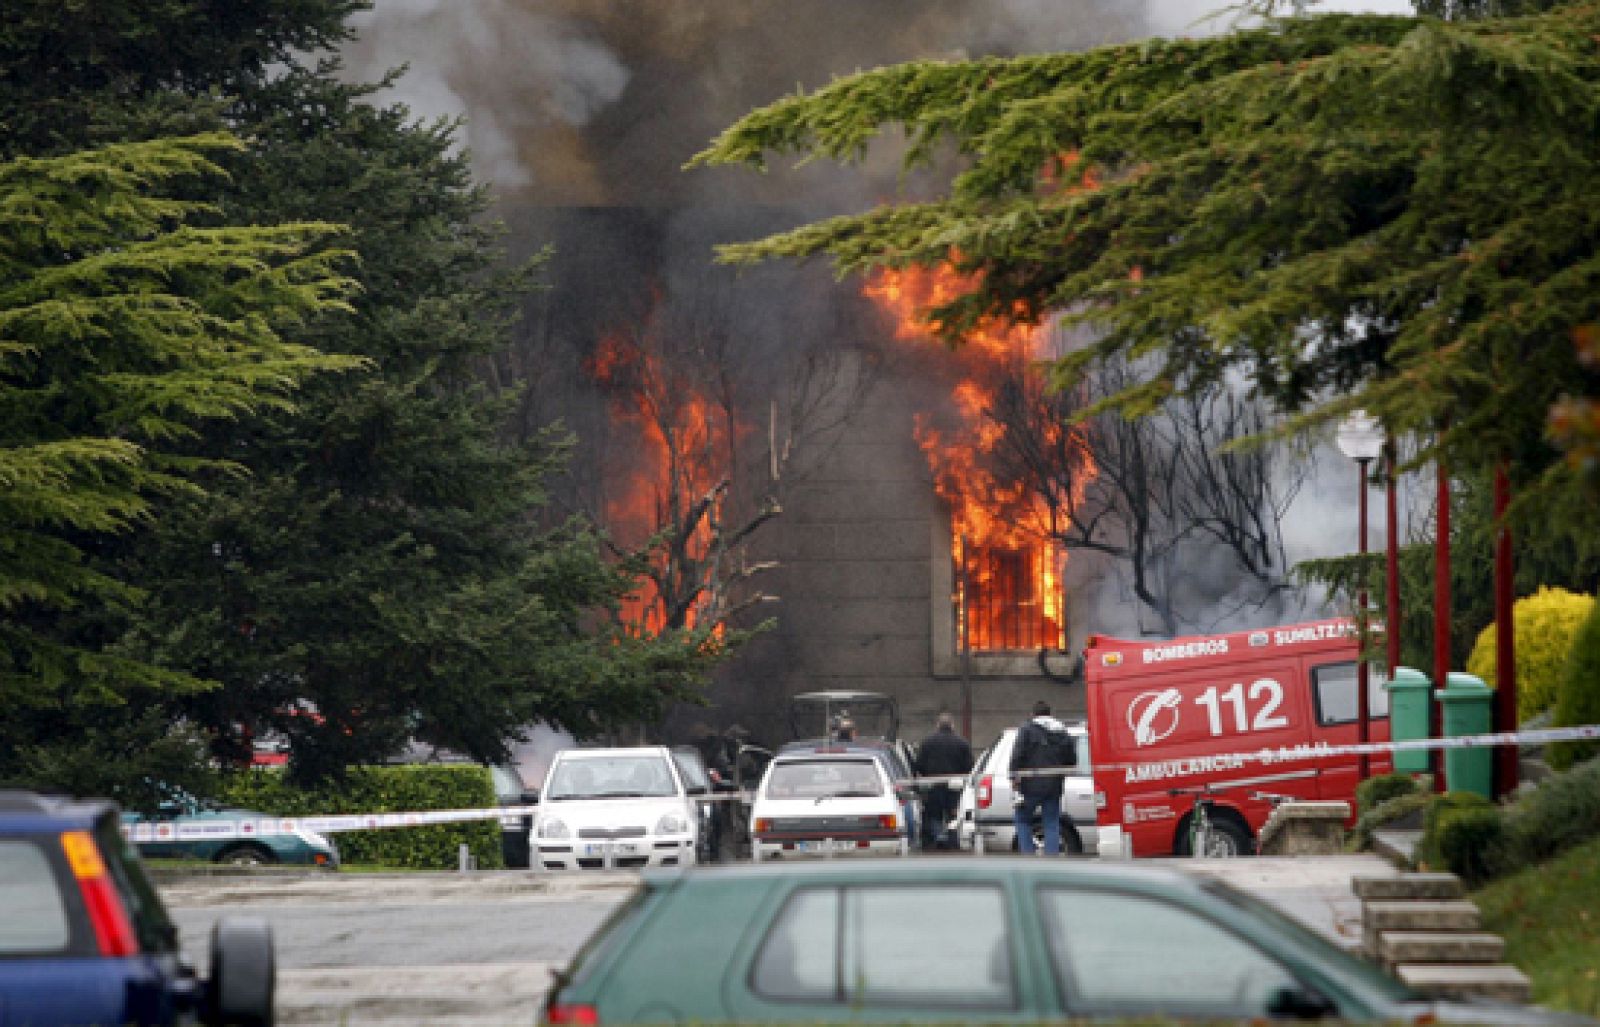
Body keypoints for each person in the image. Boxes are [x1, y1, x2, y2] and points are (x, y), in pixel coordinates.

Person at [1009, 700, 1075, 855]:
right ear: (1051, 714)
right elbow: (1071, 759)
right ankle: (1051, 858)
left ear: (1032, 715)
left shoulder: (1026, 729)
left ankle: (1028, 854)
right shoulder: (1061, 731)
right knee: (1051, 823)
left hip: (1030, 785)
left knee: (1022, 820)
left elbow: (1017, 755)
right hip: (1054, 785)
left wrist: (1013, 777)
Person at [914, 712, 973, 850]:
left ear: (937, 725)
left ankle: (938, 839)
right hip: (956, 785)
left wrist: (927, 775)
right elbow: (970, 766)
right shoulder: (962, 743)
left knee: (935, 814)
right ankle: (952, 840)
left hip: (934, 784)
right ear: (952, 725)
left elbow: (919, 764)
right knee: (954, 813)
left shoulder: (927, 742)